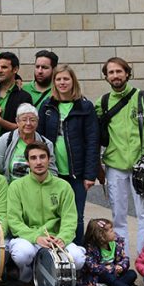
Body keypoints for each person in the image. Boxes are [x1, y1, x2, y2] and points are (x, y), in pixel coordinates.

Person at [96, 57, 144, 254]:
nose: (115, 76)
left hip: (142, 167)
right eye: (111, 72)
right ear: (106, 77)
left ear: (127, 73)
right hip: (115, 166)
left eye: (119, 71)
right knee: (118, 216)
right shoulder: (102, 103)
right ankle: (122, 258)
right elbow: (92, 134)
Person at [5, 142, 86, 286]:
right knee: (22, 254)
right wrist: (36, 237)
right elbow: (14, 222)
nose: (38, 162)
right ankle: (27, 277)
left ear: (49, 159)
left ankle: (52, 279)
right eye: (33, 158)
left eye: (42, 157)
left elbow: (70, 219)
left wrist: (63, 238)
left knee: (78, 259)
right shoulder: (16, 187)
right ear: (28, 162)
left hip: (56, 239)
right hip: (30, 238)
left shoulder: (64, 186)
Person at [38, 64, 99, 245]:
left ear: (73, 81)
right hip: (54, 172)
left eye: (66, 78)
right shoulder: (47, 106)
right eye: (58, 79)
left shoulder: (85, 107)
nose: (62, 82)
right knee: (53, 216)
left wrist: (90, 175)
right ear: (54, 82)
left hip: (77, 173)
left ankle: (76, 252)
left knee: (76, 215)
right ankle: (54, 256)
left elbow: (92, 142)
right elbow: (39, 141)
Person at [0, 103, 57, 182]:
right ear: (17, 121)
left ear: (37, 121)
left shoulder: (46, 144)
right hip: (10, 190)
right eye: (24, 120)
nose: (28, 123)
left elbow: (52, 173)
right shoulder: (5, 140)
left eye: (32, 120)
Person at [79, 217, 144, 286]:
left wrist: (121, 266)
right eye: (111, 231)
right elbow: (92, 267)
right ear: (101, 236)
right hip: (99, 277)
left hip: (115, 275)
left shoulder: (116, 243)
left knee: (132, 274)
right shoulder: (91, 248)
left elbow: (124, 258)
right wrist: (110, 269)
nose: (114, 232)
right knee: (108, 276)